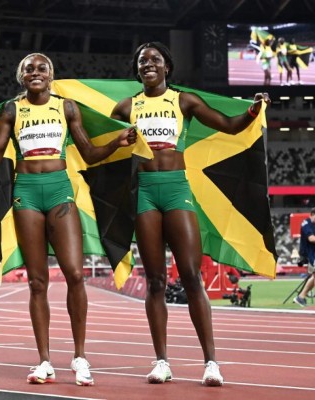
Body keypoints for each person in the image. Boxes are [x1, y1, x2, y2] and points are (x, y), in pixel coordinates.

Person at [0, 53, 137, 386]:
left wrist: (116, 142)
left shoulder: (67, 108)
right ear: (21, 77)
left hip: (59, 191)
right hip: (26, 193)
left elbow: (89, 153)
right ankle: (44, 360)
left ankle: (80, 357)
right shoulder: (11, 110)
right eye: (28, 69)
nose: (35, 72)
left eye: (42, 68)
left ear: (51, 76)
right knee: (37, 282)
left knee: (75, 273)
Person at [110, 42, 270, 387]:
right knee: (154, 282)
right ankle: (162, 362)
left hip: (176, 190)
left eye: (154, 60)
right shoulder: (125, 107)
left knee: (192, 277)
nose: (148, 65)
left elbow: (229, 125)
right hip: (145, 194)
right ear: (137, 70)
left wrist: (254, 111)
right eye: (142, 61)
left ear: (167, 66)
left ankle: (211, 362)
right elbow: (103, 146)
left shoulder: (185, 101)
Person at [294, 208, 315, 306]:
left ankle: (301, 297)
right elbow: (311, 239)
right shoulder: (306, 224)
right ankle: (301, 297)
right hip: (309, 254)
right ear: (312, 214)